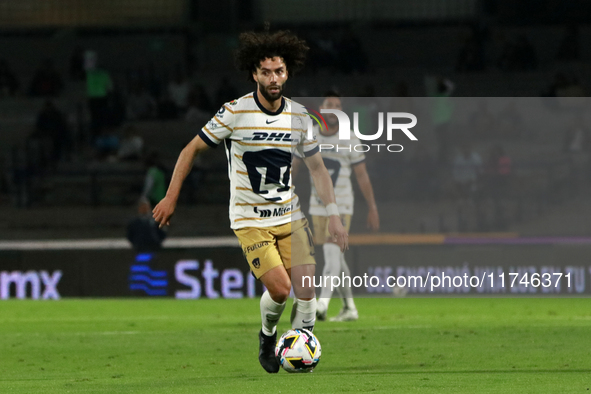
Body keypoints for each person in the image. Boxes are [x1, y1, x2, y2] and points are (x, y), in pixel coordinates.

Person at [152, 28, 348, 374]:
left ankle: (300, 351)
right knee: (281, 289)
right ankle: (268, 336)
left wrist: (333, 215)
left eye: (279, 71)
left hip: (290, 215)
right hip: (250, 220)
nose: (274, 78)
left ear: (287, 73)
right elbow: (190, 150)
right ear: (254, 74)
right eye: (266, 72)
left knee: (307, 290)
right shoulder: (234, 113)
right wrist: (170, 196)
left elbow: (318, 169)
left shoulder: (300, 117)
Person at [293, 92, 379, 322]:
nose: (333, 109)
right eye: (329, 105)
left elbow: (362, 175)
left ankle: (321, 305)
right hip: (316, 205)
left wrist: (372, 206)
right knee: (336, 259)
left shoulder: (349, 138)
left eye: (338, 106)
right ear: (321, 109)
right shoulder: (309, 136)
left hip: (341, 206)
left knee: (331, 254)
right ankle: (349, 308)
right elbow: (295, 166)